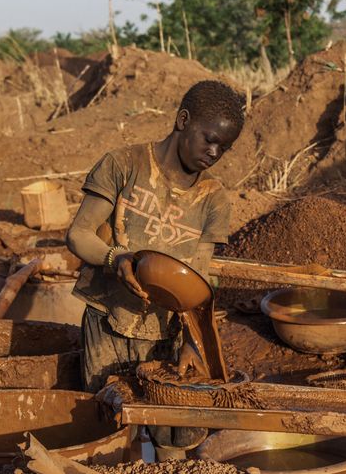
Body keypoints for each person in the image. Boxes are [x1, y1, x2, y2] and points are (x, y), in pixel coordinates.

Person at [66, 80, 244, 458]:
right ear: (183, 120)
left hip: (168, 333)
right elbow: (79, 235)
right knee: (111, 439)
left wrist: (194, 343)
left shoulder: (213, 198)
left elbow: (200, 278)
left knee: (172, 448)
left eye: (224, 147)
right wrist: (117, 258)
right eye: (209, 139)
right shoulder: (123, 165)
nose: (214, 152)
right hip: (108, 320)